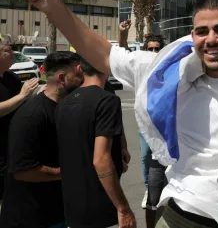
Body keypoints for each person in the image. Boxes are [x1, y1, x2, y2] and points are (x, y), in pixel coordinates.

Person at [23, 0, 218, 228]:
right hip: (182, 213)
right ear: (192, 36)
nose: (211, 39)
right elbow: (104, 55)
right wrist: (54, 7)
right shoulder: (164, 73)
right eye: (202, 31)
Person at [0, 51, 82, 228]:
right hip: (31, 219)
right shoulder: (32, 116)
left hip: (58, 213)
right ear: (61, 78)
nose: (83, 79)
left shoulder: (67, 108)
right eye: (78, 75)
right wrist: (70, 172)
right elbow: (23, 170)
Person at [55, 57, 134, 228]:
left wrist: (120, 148)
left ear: (79, 69)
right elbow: (101, 160)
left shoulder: (64, 103)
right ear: (107, 68)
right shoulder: (107, 100)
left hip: (73, 204)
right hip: (99, 206)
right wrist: (123, 208)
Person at [119, 19, 166, 216]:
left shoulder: (167, 65)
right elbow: (123, 52)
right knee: (146, 157)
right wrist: (123, 33)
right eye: (150, 49)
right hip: (144, 123)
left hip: (165, 123)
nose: (153, 53)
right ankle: (150, 189)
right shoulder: (140, 66)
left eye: (157, 49)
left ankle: (165, 191)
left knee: (167, 159)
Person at [0, 44, 39, 201]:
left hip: (13, 145)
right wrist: (22, 96)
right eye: (7, 50)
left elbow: (23, 101)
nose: (13, 53)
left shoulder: (11, 77)